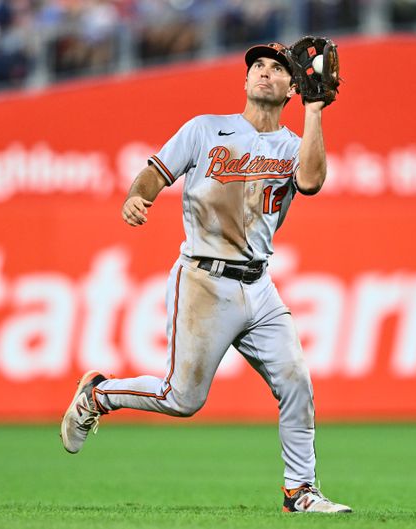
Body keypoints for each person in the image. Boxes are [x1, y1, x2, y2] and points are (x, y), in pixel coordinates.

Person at [61, 41, 352, 514]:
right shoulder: (205, 130)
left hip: (259, 285)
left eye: (277, 69)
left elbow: (314, 181)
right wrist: (140, 197)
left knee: (296, 380)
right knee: (181, 399)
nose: (263, 73)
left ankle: (300, 492)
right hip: (203, 278)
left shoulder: (294, 146)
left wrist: (315, 111)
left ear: (292, 86)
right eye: (257, 66)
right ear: (244, 80)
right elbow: (154, 173)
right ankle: (99, 395)